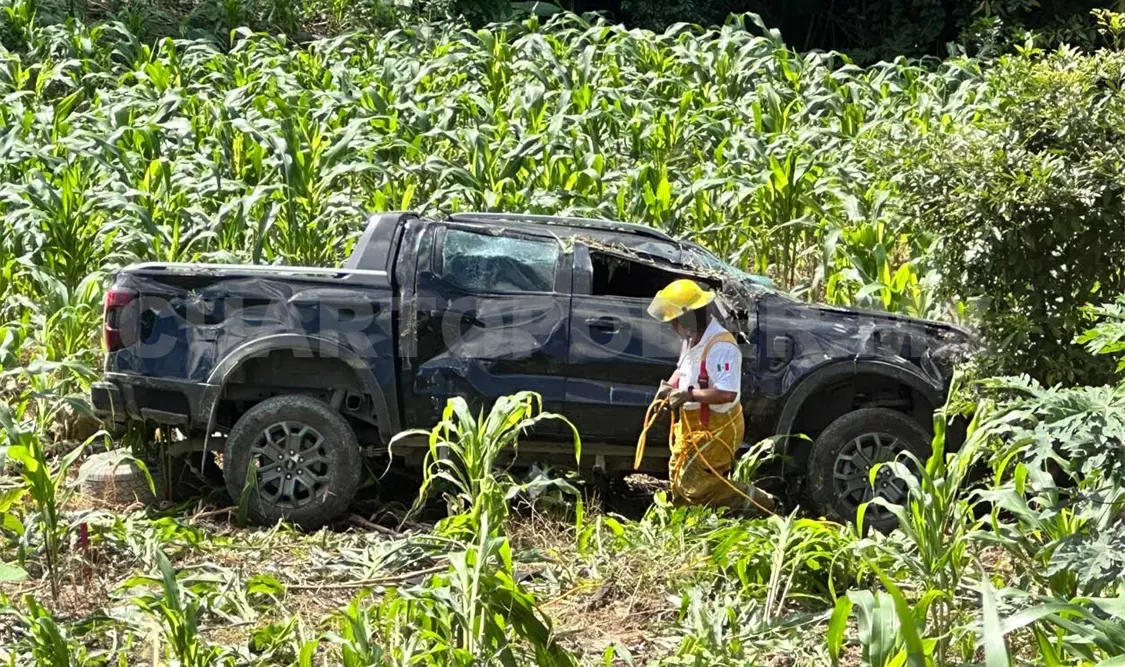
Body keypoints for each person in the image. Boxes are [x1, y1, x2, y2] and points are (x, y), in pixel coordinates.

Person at [645, 279, 775, 514]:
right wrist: (667, 387)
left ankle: (761, 502)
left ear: (689, 317)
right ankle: (688, 519)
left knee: (696, 484)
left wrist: (688, 395)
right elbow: (683, 369)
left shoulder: (721, 347)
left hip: (717, 429)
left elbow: (727, 393)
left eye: (675, 320)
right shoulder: (692, 340)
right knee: (679, 474)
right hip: (693, 426)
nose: (673, 326)